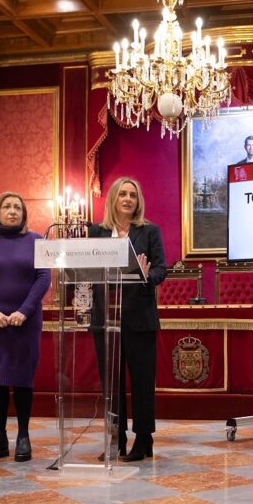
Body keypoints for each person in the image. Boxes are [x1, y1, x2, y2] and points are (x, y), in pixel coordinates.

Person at [0, 192, 51, 463]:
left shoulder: (36, 241)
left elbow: (43, 278)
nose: (13, 211)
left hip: (24, 323)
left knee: (23, 379)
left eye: (18, 207)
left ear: (24, 214)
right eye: (7, 206)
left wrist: (23, 311)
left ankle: (23, 436)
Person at [89, 177, 167, 462]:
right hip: (105, 319)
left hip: (139, 317)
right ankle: (115, 438)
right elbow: (86, 268)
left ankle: (143, 439)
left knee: (142, 381)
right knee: (112, 383)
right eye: (122, 194)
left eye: (133, 194)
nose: (127, 199)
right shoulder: (97, 232)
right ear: (113, 198)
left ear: (138, 201)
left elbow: (161, 268)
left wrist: (148, 276)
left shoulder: (149, 231)